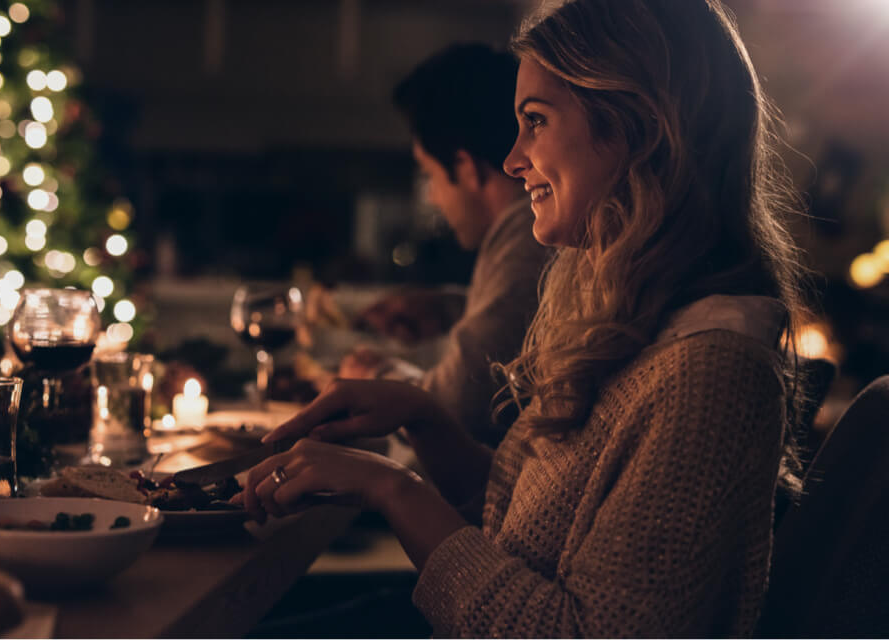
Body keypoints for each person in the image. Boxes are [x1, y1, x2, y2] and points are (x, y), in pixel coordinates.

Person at [235, 0, 808, 636]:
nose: (512, 160)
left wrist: (393, 488)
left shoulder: (712, 371)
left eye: (535, 121)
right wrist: (423, 420)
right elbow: (531, 531)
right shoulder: (636, 325)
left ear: (640, 127)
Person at [338, 43, 553, 448]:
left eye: (429, 175)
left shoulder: (530, 234)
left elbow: (459, 409)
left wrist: (372, 378)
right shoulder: (521, 233)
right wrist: (450, 308)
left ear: (466, 168)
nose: (434, 197)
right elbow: (523, 322)